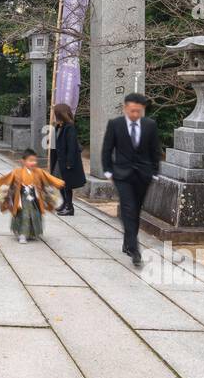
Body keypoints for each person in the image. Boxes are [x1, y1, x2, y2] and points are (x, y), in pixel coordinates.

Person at [101, 92, 162, 267]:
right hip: (122, 174)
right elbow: (107, 148)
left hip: (143, 174)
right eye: (132, 110)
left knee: (136, 210)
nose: (135, 114)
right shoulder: (115, 124)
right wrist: (108, 171)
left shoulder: (150, 125)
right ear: (125, 108)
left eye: (139, 111)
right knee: (128, 208)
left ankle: (128, 242)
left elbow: (155, 150)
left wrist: (155, 171)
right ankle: (135, 249)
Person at [0, 148, 65, 243]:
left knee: (35, 214)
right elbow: (7, 179)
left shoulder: (39, 171)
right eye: (31, 160)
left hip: (34, 197)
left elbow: (49, 178)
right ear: (23, 161)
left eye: (35, 160)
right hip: (21, 198)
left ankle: (32, 233)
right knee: (24, 214)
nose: (33, 163)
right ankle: (22, 234)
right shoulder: (17, 172)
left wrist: (58, 182)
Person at [49, 103, 86, 216]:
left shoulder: (69, 127)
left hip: (66, 161)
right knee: (59, 182)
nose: (55, 116)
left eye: (57, 114)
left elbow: (72, 147)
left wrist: (69, 163)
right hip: (59, 160)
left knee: (67, 184)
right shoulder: (58, 126)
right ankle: (65, 203)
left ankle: (69, 207)